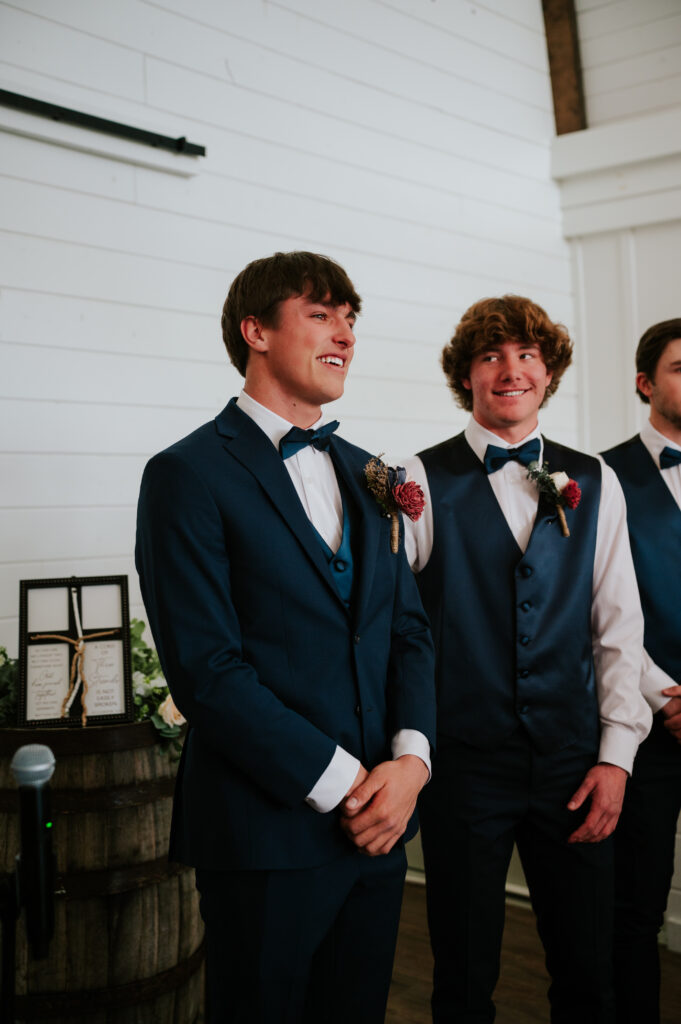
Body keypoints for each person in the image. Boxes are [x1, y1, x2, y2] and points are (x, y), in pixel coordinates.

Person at [135, 251, 435, 1024]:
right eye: (320, 313)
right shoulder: (187, 473)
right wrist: (346, 786)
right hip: (263, 832)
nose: (344, 334)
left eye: (349, 318)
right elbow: (208, 672)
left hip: (379, 832)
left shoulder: (372, 473)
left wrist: (408, 762)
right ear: (255, 331)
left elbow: (406, 632)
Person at [402, 295, 652, 1023]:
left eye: (525, 356)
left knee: (587, 970)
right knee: (463, 972)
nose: (509, 370)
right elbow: (399, 631)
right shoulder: (416, 481)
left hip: (572, 763)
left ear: (547, 372)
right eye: (489, 356)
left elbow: (617, 627)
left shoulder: (594, 479)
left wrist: (615, 757)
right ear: (466, 377)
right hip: (463, 766)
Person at [601, 318, 681, 1024]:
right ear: (644, 382)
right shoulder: (597, 476)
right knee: (633, 911)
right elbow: (594, 606)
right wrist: (667, 697)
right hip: (645, 728)